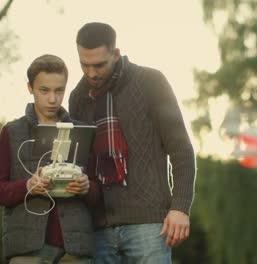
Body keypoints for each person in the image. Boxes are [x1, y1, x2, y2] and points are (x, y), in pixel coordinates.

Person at [69, 22, 196, 263]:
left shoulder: (151, 82)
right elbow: (79, 164)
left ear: (115, 54)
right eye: (84, 65)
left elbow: (181, 149)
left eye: (99, 65)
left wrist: (180, 207)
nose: (91, 73)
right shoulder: (78, 98)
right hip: (98, 228)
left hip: (148, 224)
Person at [0, 54, 98, 263]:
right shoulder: (12, 132)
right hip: (27, 249)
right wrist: (27, 186)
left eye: (59, 90)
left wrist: (87, 188)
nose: (53, 99)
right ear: (30, 88)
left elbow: (98, 193)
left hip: (74, 249)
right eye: (44, 90)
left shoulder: (82, 131)